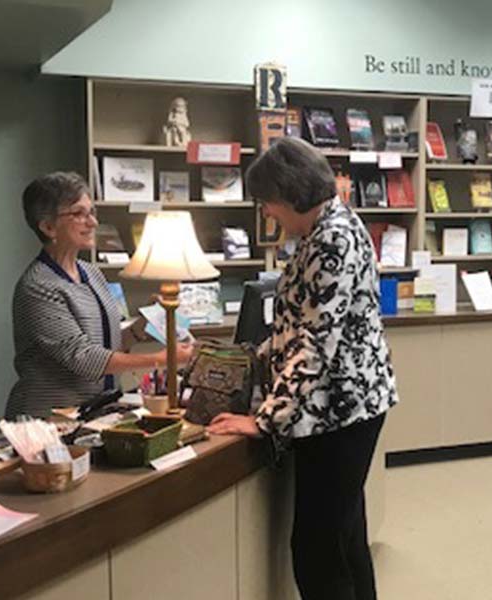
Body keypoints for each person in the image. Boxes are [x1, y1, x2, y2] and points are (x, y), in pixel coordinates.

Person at [206, 138, 398, 600]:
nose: (268, 213)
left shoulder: (330, 240)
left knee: (317, 550)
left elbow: (315, 344)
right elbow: (303, 324)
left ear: (291, 194)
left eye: (268, 203)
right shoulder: (329, 227)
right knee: (345, 536)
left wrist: (264, 420)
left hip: (339, 411)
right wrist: (256, 356)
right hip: (347, 404)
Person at [5, 172, 190, 418]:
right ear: (48, 227)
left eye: (92, 212)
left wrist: (139, 328)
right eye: (78, 214)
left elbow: (105, 344)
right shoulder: (38, 286)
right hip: (49, 422)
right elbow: (84, 357)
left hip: (95, 413)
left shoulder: (92, 273)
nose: (92, 222)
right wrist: (163, 358)